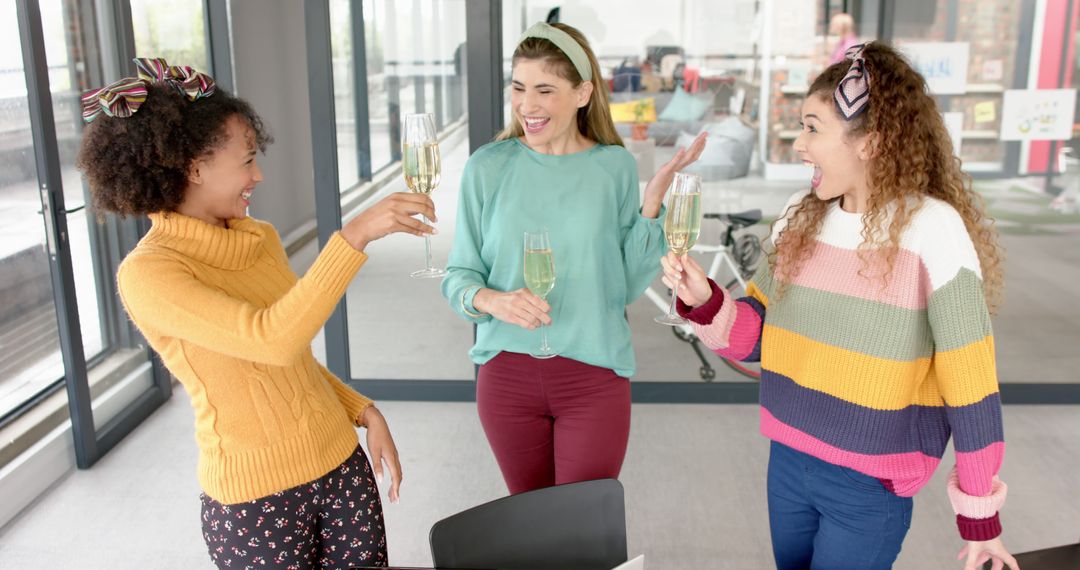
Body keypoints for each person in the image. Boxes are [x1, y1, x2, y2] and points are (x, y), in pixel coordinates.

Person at [660, 43, 1019, 570]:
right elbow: (756, 336)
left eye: (812, 128)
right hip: (788, 460)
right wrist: (704, 302)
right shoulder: (800, 217)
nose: (798, 145)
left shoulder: (932, 229)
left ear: (870, 142)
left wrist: (980, 518)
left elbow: (971, 381)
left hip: (869, 482)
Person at [77, 58, 435, 569]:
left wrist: (361, 409)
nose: (259, 174)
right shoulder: (151, 274)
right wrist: (353, 236)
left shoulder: (257, 238)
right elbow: (271, 339)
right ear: (194, 168)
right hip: (257, 501)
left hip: (340, 464)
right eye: (247, 160)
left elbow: (291, 363)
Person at [441, 22, 705, 495]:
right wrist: (489, 300)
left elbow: (622, 287)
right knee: (531, 521)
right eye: (519, 87)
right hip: (506, 375)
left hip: (594, 375)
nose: (527, 105)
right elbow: (458, 274)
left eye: (545, 89)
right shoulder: (488, 166)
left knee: (584, 526)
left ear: (583, 93)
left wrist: (652, 206)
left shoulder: (613, 166)